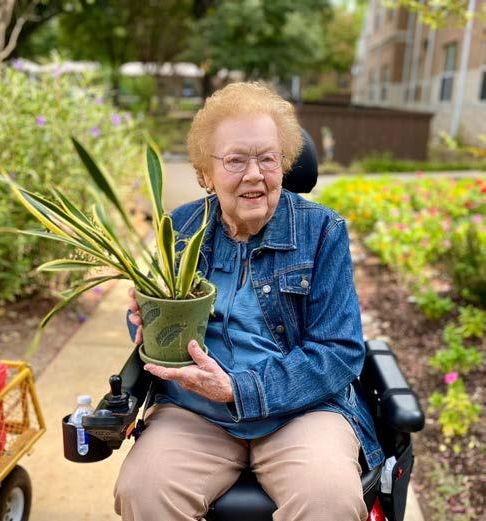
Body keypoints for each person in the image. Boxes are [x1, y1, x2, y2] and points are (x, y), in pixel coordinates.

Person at [114, 82, 384, 521]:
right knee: (143, 489)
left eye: (267, 158)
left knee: (329, 499)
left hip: (301, 411)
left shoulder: (321, 231)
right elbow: (158, 329)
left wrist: (239, 390)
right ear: (206, 173)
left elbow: (339, 352)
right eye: (236, 160)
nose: (255, 174)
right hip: (196, 412)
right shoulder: (179, 229)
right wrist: (143, 321)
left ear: (284, 164)